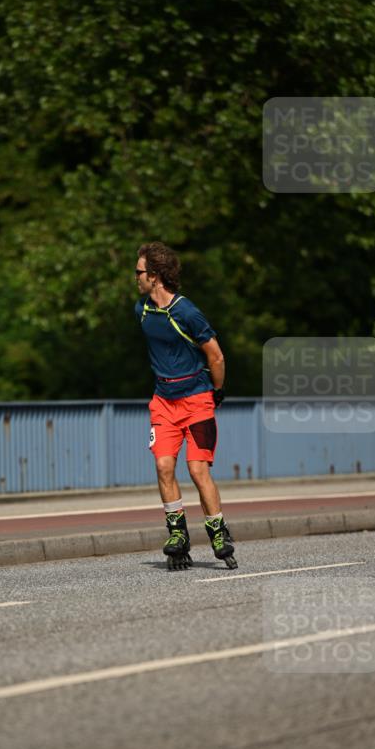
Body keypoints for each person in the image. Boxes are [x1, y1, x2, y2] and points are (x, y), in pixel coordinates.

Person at [134, 241, 237, 571]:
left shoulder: (187, 312)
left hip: (197, 402)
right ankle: (177, 534)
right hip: (163, 402)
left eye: (138, 272)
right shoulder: (143, 309)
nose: (134, 277)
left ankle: (218, 532)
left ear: (154, 276)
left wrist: (216, 392)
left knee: (197, 469)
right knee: (164, 466)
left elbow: (216, 355)